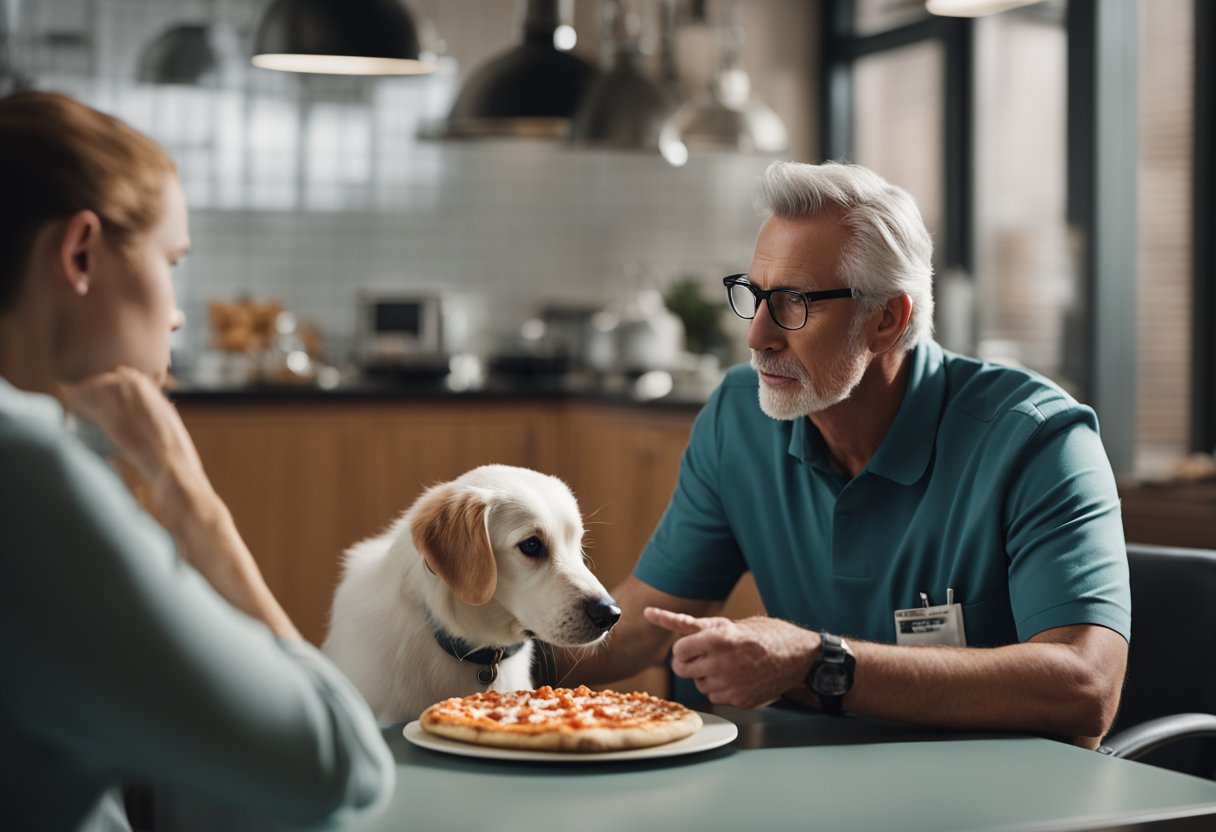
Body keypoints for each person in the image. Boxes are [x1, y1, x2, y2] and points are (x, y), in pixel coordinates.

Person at [561, 161, 1130, 749]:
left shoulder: (1038, 439)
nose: (757, 336)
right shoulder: (738, 417)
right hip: (815, 785)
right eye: (755, 296)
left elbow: (1086, 689)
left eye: (793, 303)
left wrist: (818, 663)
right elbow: (638, 628)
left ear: (887, 318)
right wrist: (477, 656)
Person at [0, 91, 394, 829]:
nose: (178, 311)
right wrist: (185, 489)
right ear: (79, 253)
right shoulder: (25, 474)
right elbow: (340, 764)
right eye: (170, 261)